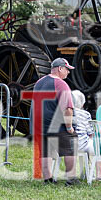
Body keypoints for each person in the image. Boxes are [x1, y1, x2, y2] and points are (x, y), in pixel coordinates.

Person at [33, 57, 78, 185]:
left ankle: (48, 179)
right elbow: (68, 109)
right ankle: (71, 178)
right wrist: (69, 127)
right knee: (70, 147)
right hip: (56, 123)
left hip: (40, 123)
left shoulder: (39, 82)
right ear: (60, 68)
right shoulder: (61, 84)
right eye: (67, 69)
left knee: (45, 151)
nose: (68, 72)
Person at [71, 90, 95, 156]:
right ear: (82, 103)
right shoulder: (85, 114)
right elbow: (91, 133)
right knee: (96, 145)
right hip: (81, 145)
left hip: (66, 146)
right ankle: (92, 165)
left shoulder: (64, 113)